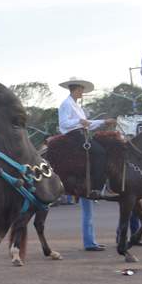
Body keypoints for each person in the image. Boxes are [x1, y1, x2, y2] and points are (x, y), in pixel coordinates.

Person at [58, 77, 117, 251]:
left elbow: (88, 125)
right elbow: (63, 124)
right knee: (100, 152)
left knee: (102, 149)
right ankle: (97, 187)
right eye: (81, 90)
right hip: (73, 136)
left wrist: (104, 122)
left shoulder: (77, 106)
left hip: (82, 134)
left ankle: (98, 185)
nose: (82, 93)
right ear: (75, 90)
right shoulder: (66, 104)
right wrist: (78, 122)